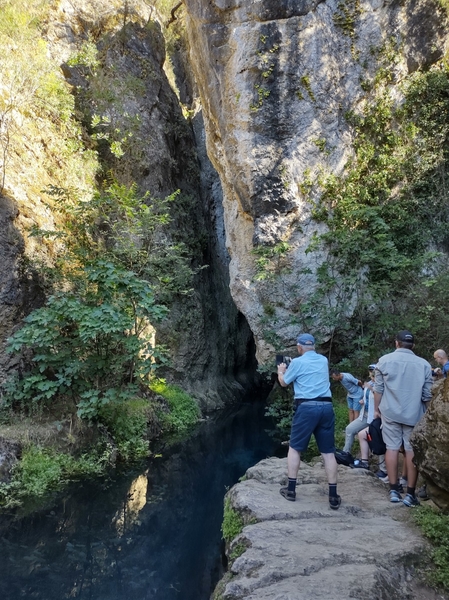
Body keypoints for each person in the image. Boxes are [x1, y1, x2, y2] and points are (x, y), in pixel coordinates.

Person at [277, 333, 341, 509]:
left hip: (306, 408)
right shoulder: (322, 361)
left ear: (299, 348)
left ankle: (290, 490)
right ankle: (333, 496)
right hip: (326, 408)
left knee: (295, 448)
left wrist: (281, 371)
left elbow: (284, 383)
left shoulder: (297, 363)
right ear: (313, 346)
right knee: (328, 452)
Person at [373, 330, 433, 507]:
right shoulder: (424, 365)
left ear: (396, 343)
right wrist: (429, 414)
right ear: (412, 345)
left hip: (390, 412)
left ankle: (393, 490)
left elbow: (378, 390)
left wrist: (376, 410)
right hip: (414, 414)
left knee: (391, 448)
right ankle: (410, 494)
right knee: (410, 450)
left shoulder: (384, 361)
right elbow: (427, 395)